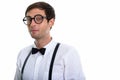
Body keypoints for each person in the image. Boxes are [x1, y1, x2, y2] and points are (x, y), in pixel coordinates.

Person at [14, 1, 85, 80]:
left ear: (51, 22)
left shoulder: (68, 53)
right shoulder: (22, 54)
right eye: (29, 19)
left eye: (38, 19)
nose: (32, 24)